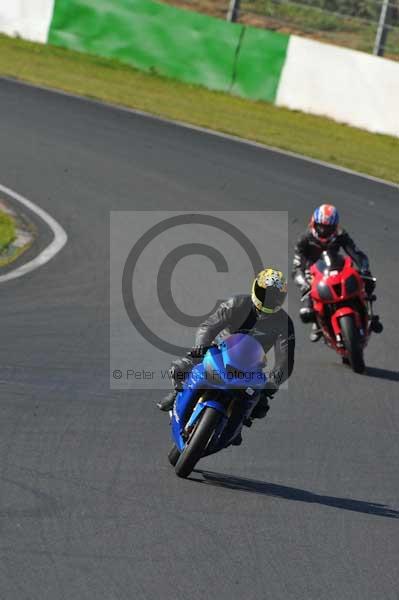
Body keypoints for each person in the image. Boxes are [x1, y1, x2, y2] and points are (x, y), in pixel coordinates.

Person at [157, 268, 295, 443]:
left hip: (251, 366)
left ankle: (235, 426)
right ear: (255, 288)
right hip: (219, 351)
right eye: (266, 294)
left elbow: (286, 358)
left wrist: (274, 382)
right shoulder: (236, 303)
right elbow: (209, 326)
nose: (269, 300)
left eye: (275, 296)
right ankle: (177, 393)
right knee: (181, 367)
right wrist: (201, 345)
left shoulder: (284, 323)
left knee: (260, 405)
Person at [292, 204, 380, 341]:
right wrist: (303, 282)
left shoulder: (340, 235)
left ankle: (369, 314)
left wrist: (365, 270)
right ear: (314, 223)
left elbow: (357, 254)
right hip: (315, 272)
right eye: (321, 226)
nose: (324, 230)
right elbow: (297, 266)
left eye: (328, 227)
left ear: (335, 226)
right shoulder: (305, 239)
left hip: (336, 268)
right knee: (308, 302)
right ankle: (317, 322)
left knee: (364, 281)